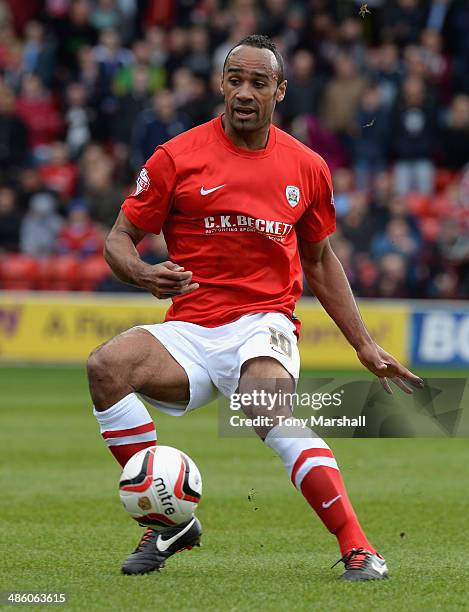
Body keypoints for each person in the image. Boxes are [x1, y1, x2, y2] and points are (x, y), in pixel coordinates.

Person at [87, 35, 423, 580]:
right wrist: (144, 273)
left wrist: (363, 344)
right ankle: (167, 520)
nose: (244, 92)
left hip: (264, 323)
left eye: (258, 83)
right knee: (105, 367)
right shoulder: (177, 156)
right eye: (235, 80)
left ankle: (359, 547)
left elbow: (319, 260)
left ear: (280, 91)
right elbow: (118, 239)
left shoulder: (307, 168)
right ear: (221, 84)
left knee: (262, 403)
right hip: (191, 329)